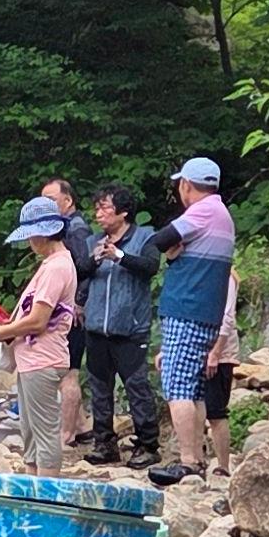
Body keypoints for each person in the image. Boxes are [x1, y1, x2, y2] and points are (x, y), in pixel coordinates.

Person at [155, 156, 238, 480]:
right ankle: (199, 459)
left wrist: (172, 249)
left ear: (186, 185)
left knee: (178, 386)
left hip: (187, 309)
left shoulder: (203, 211)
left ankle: (188, 460)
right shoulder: (223, 214)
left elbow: (160, 240)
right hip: (206, 312)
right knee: (196, 388)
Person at [0, 196, 80, 471]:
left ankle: (46, 494)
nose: (29, 242)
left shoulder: (57, 267)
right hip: (34, 360)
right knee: (31, 432)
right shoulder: (55, 263)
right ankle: (31, 488)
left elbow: (38, 320)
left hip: (43, 359)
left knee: (44, 433)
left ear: (44, 233)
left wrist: (4, 331)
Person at [77, 185, 165, 468]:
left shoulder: (145, 237)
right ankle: (104, 443)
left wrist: (120, 256)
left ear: (124, 212)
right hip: (96, 327)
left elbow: (151, 266)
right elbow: (79, 270)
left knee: (136, 385)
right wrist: (94, 259)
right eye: (97, 208)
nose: (98, 214)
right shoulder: (94, 240)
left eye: (105, 208)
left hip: (130, 327)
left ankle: (148, 444)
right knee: (100, 386)